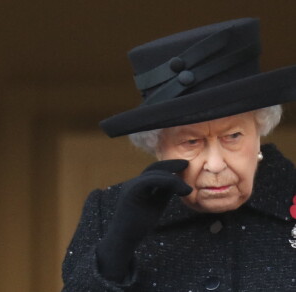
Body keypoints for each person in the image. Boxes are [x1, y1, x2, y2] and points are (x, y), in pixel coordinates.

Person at [61, 18, 296, 292]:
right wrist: (116, 249)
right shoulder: (107, 213)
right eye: (191, 141)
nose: (216, 165)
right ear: (157, 146)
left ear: (260, 129)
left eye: (232, 136)